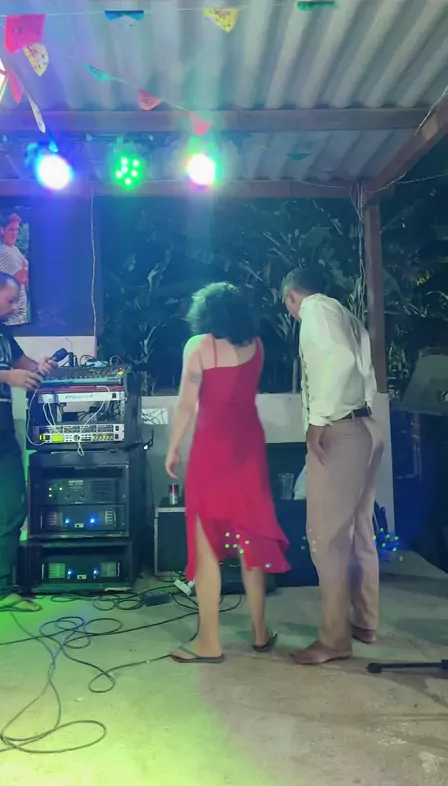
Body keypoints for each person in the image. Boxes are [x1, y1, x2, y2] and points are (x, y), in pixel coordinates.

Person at [165, 283, 289, 663]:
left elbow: (187, 404)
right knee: (251, 537)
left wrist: (173, 446)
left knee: (205, 542)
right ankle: (259, 633)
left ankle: (209, 641)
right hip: (249, 447)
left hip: (212, 449)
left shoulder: (198, 346)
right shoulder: (256, 346)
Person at [282, 267, 384, 665]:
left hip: (341, 431)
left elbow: (339, 362)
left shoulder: (314, 311)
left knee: (325, 536)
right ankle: (365, 621)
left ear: (291, 296)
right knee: (359, 528)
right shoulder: (343, 313)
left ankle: (334, 639)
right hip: (366, 425)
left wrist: (319, 420)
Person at [0, 271, 57, 623]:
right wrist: (7, 376)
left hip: (4, 437)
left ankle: (0, 591)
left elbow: (23, 366)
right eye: (10, 299)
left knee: (13, 511)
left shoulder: (3, 333)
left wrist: (40, 368)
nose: (14, 306)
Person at [0, 213, 29, 325]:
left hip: (20, 313)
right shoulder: (3, 251)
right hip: (11, 316)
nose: (14, 233)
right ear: (2, 230)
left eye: (16, 229)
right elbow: (23, 276)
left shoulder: (15, 249)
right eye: (11, 230)